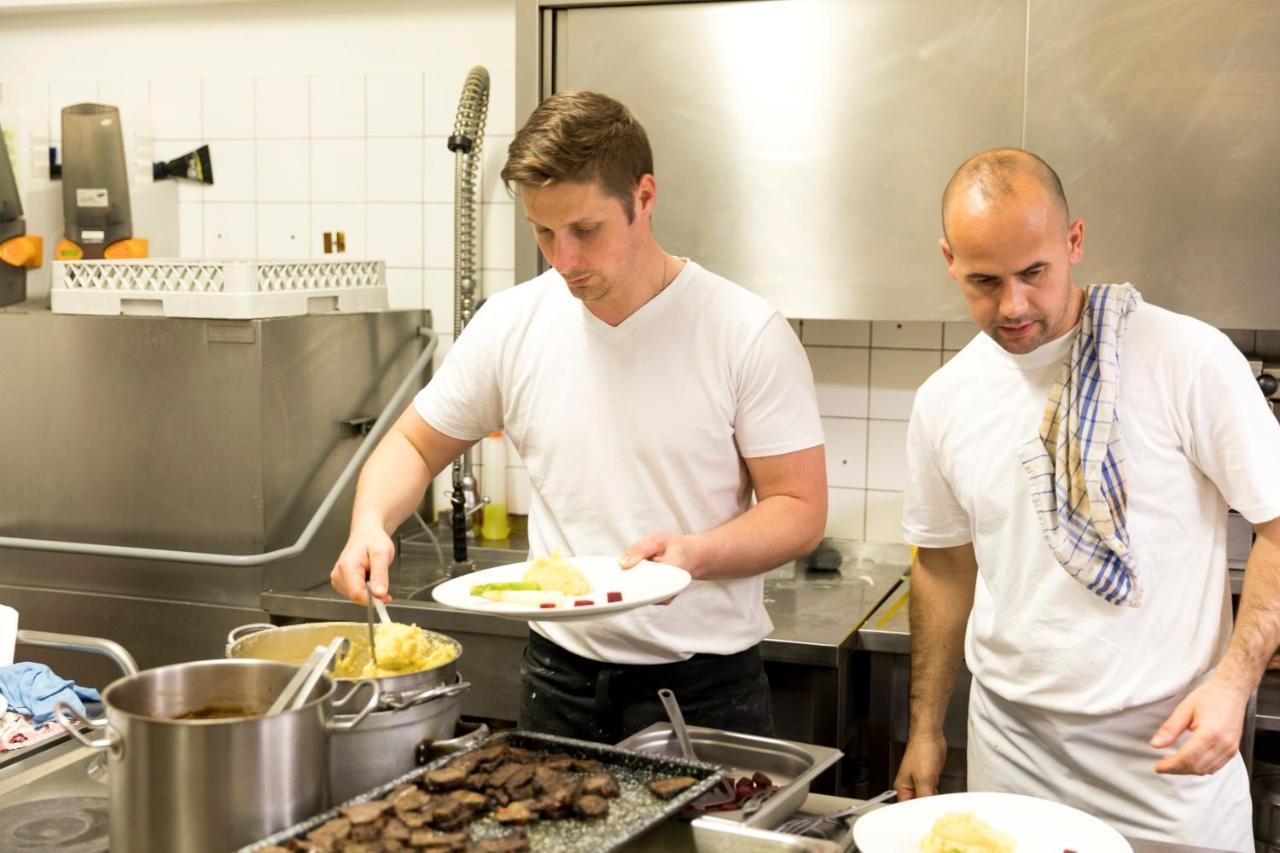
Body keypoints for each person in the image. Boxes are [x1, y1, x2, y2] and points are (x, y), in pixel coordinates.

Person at [330, 91, 827, 744]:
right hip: (557, 677)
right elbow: (415, 446)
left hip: (701, 686)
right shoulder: (512, 323)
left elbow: (799, 506)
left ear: (643, 198)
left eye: (585, 230)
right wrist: (370, 522)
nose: (562, 260)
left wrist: (694, 555)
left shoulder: (743, 331)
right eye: (543, 232)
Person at [894, 147, 1280, 849]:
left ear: (1074, 242)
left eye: (1033, 273)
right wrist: (924, 727)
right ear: (948, 259)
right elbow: (945, 565)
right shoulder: (943, 401)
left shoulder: (1186, 359)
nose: (1011, 305)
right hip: (1011, 757)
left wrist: (1233, 685)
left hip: (1168, 766)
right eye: (983, 280)